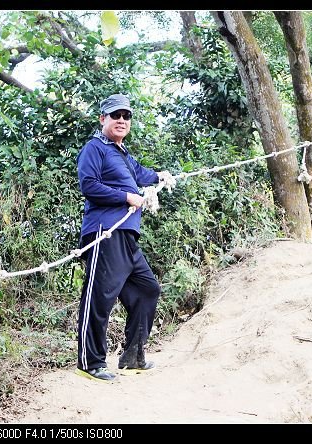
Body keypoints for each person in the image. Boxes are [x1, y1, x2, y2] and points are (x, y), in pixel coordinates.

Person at [75, 93, 172, 382]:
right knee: (100, 298)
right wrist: (127, 196)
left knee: (147, 290)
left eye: (126, 116)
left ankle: (132, 356)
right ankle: (90, 363)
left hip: (127, 236)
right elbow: (88, 185)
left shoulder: (122, 154)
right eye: (115, 115)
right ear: (102, 119)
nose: (121, 120)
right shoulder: (95, 148)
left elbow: (140, 174)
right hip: (105, 233)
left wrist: (159, 176)